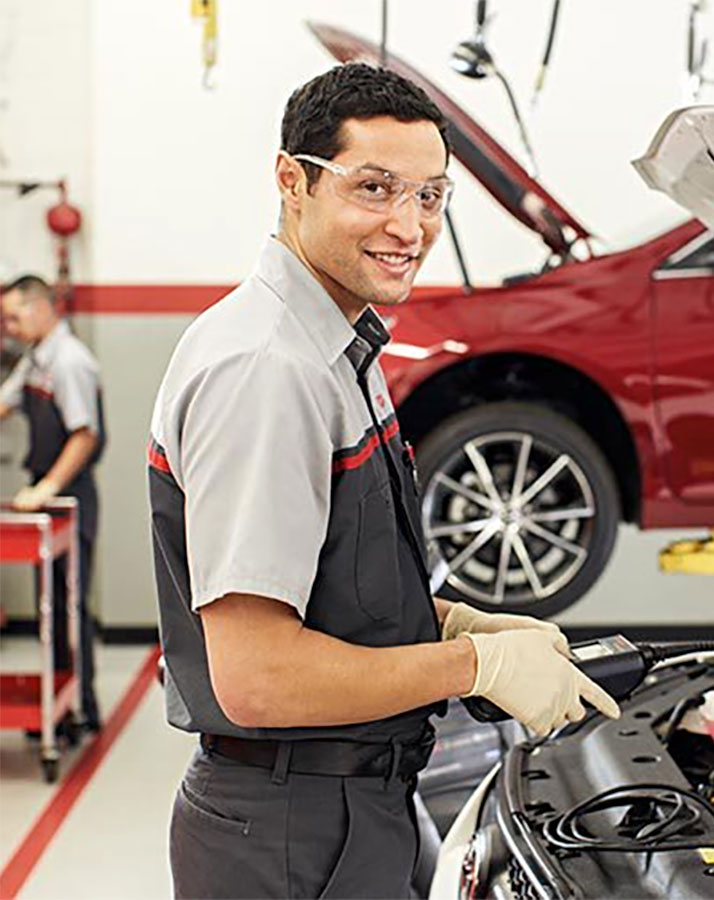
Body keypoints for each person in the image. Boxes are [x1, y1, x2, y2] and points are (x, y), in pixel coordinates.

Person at [147, 63, 620, 899]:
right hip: (292, 827)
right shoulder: (268, 369)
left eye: (431, 195)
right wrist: (473, 666)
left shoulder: (339, 345)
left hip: (356, 801)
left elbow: (330, 583)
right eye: (375, 188)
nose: (410, 225)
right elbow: (258, 677)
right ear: (293, 180)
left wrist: (448, 622)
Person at [0, 274, 103, 731]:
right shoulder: (34, 361)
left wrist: (48, 488)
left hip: (70, 495)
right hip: (43, 494)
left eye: (15, 316)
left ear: (43, 308)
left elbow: (85, 435)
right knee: (51, 606)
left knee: (69, 602)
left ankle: (79, 706)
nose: (9, 327)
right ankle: (55, 705)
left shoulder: (69, 361)